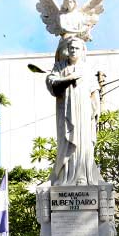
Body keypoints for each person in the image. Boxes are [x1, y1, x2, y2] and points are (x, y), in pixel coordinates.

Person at [45, 35, 103, 185]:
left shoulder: (87, 68)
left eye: (76, 48)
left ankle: (82, 175)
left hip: (83, 111)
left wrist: (96, 107)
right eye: (71, 48)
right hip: (65, 111)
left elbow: (94, 90)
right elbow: (51, 82)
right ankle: (64, 176)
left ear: (82, 50)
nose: (73, 51)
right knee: (66, 142)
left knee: (82, 143)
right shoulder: (60, 67)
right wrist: (68, 78)